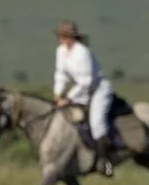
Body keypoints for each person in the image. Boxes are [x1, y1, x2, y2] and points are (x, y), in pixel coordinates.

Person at [51, 20, 122, 176]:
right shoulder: (61, 51)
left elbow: (86, 81)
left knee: (97, 123)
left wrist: (68, 98)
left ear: (71, 37)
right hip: (81, 91)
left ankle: (105, 162)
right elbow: (60, 74)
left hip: (98, 89)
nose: (61, 39)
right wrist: (58, 93)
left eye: (64, 36)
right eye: (60, 36)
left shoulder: (82, 52)